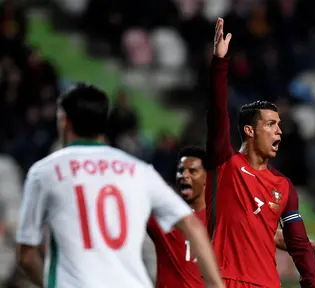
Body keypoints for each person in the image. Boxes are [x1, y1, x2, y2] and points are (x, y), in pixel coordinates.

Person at [15, 83, 224, 288]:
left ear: (64, 121)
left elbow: (26, 256)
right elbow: (192, 225)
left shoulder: (45, 172)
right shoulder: (139, 171)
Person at [206, 18, 315, 287]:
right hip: (225, 280)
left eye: (279, 125)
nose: (279, 131)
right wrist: (219, 64)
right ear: (249, 131)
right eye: (271, 124)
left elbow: (298, 244)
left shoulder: (283, 186)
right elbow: (217, 115)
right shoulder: (226, 164)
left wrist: (313, 284)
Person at [147, 146, 315, 287]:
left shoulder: (228, 217)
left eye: (192, 171)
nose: (184, 175)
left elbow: (274, 236)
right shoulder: (164, 217)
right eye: (181, 171)